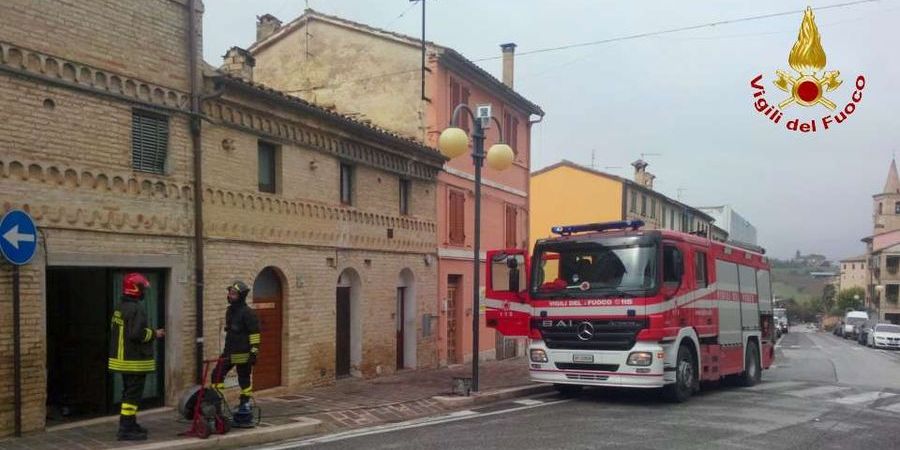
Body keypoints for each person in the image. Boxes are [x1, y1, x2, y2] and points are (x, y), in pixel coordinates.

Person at [108, 272, 165, 441]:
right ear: (134, 289)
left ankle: (130, 423)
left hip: (122, 360)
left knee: (128, 393)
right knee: (132, 395)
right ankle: (126, 428)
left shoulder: (120, 307)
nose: (144, 292)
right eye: (142, 288)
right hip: (134, 360)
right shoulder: (136, 309)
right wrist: (155, 333)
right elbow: (136, 334)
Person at [211, 280, 261, 427]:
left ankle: (244, 405)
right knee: (216, 375)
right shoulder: (230, 311)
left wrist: (253, 353)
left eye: (233, 293)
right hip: (229, 352)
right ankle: (218, 406)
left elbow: (255, 334)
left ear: (241, 296)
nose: (230, 295)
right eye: (229, 293)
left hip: (244, 353)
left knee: (244, 381)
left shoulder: (248, 313)